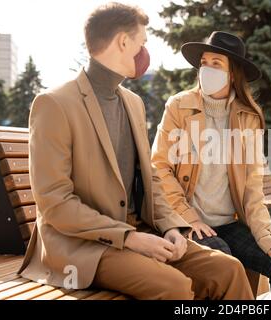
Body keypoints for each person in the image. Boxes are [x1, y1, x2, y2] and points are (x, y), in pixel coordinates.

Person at [18, 3, 253, 300]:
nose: (145, 51)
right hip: (83, 245)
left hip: (141, 231)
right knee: (174, 286)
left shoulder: (133, 102)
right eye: (142, 42)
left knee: (228, 270)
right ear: (123, 42)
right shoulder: (54, 103)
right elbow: (55, 203)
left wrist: (172, 228)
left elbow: (151, 179)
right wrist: (128, 238)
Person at [151, 31, 271, 300]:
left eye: (216, 63)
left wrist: (267, 234)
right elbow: (159, 167)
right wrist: (189, 218)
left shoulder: (249, 117)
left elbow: (253, 186)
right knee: (224, 261)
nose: (206, 69)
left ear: (233, 74)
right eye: (204, 62)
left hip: (228, 223)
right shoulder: (178, 106)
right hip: (187, 221)